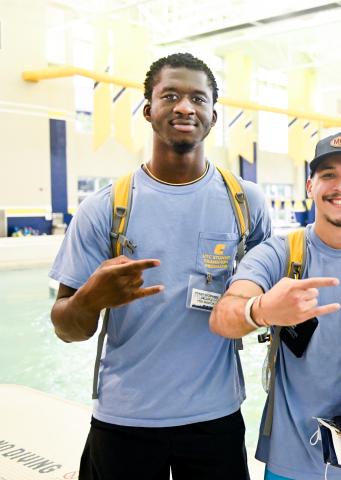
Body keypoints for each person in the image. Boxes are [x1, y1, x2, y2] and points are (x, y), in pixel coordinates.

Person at [49, 52, 271, 480]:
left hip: (215, 419)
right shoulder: (105, 209)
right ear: (149, 110)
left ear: (213, 115)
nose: (185, 107)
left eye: (198, 99)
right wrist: (92, 298)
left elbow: (268, 297)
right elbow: (65, 327)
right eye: (170, 96)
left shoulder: (246, 203)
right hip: (124, 421)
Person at [210, 131, 341, 480]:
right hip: (292, 457)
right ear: (310, 186)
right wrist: (261, 311)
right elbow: (223, 317)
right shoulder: (282, 254)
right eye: (329, 174)